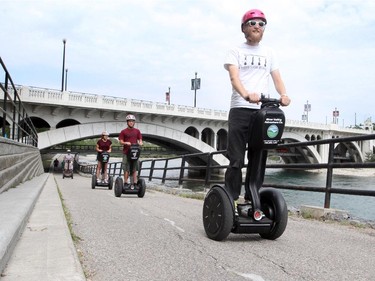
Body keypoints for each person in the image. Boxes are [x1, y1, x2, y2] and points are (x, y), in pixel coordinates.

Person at [223, 9, 291, 210]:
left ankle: (251, 198)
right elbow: (234, 78)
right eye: (252, 23)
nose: (257, 26)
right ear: (244, 27)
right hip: (240, 109)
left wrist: (284, 94)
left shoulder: (269, 53)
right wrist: (245, 94)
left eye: (261, 24)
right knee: (236, 158)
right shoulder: (235, 51)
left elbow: (277, 78)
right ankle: (230, 200)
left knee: (258, 158)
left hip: (262, 112)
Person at [118, 114, 143, 188]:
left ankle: (134, 183)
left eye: (133, 121)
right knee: (126, 168)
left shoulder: (137, 131)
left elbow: (140, 139)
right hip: (126, 152)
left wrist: (140, 143)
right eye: (130, 121)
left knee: (135, 168)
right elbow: (120, 141)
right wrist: (126, 142)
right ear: (127, 122)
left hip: (135, 153)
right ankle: (126, 182)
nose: (131, 122)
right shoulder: (123, 131)